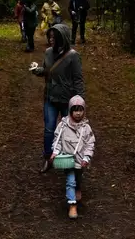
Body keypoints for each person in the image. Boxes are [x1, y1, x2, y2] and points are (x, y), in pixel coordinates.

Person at [30, 24, 84, 173]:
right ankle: (48, 158)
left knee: (70, 130)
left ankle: (71, 161)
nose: (51, 40)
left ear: (63, 38)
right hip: (50, 98)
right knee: (49, 129)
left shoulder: (73, 56)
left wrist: (80, 102)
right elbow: (47, 71)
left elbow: (78, 79)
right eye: (50, 37)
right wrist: (37, 70)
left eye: (55, 37)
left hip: (67, 99)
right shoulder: (48, 52)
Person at [50, 95, 95, 219]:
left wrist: (86, 157)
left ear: (84, 111)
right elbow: (57, 140)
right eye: (75, 110)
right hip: (67, 160)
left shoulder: (86, 128)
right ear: (70, 111)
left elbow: (90, 143)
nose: (78, 113)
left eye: (80, 110)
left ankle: (78, 187)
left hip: (80, 161)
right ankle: (72, 205)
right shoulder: (63, 126)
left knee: (78, 177)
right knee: (70, 181)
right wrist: (56, 151)